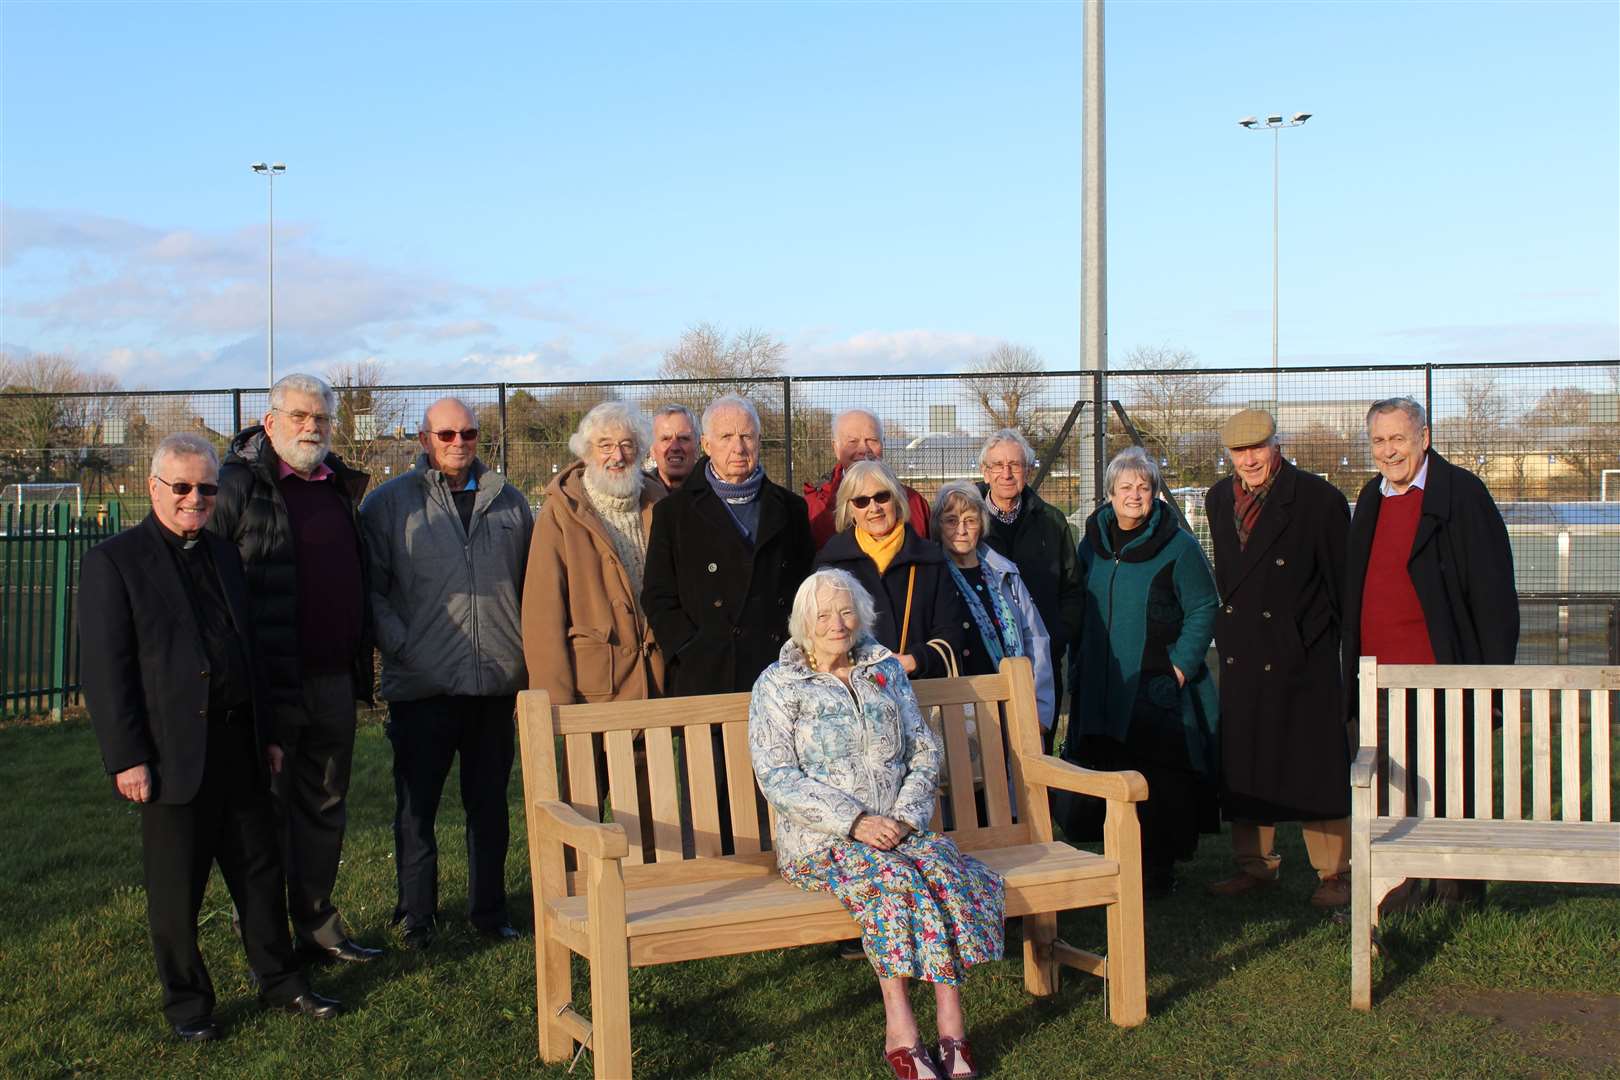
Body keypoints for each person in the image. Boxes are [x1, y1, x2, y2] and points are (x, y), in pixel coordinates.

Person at [81, 433, 342, 1041]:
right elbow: (105, 670)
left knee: (258, 873)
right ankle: (189, 1007)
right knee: (177, 894)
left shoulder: (224, 554)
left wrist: (269, 733)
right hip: (171, 757)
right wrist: (128, 758)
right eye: (182, 487)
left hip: (239, 743)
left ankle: (280, 981)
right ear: (154, 489)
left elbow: (247, 651)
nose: (195, 498)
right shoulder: (116, 561)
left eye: (205, 488)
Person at [750, 569, 1002, 1080]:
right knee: (896, 881)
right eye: (823, 615)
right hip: (822, 842)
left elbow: (923, 749)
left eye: (845, 612)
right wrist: (857, 822)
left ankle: (952, 1028)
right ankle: (902, 1031)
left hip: (899, 831)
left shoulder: (884, 667)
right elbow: (777, 777)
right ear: (804, 622)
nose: (836, 624)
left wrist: (906, 820)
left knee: (945, 868)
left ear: (861, 615)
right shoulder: (779, 685)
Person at [210, 372, 381, 963]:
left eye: (322, 419)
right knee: (266, 809)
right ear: (270, 420)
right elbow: (210, 585)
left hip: (334, 678)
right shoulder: (236, 486)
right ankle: (259, 927)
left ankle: (315, 919)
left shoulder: (339, 486)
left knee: (325, 802)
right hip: (267, 686)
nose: (312, 428)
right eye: (300, 417)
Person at [359, 397, 533, 949]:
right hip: (423, 683)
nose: (459, 443)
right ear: (424, 438)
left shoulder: (511, 503)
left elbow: (532, 585)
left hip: (493, 685)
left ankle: (490, 911)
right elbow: (371, 589)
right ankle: (416, 914)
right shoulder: (388, 505)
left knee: (489, 806)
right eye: (446, 434)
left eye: (469, 433)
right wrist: (400, 644)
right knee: (417, 808)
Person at [1343, 395, 1518, 907]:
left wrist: (1491, 680)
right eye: (1378, 440)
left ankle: (1457, 888)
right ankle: (1402, 882)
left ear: (1424, 437)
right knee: (1393, 780)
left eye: (1398, 438)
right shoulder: (1371, 497)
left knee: (1449, 775)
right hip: (1378, 673)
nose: (1388, 450)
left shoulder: (1461, 494)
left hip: (1443, 669)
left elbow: (1492, 594)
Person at [1203, 410, 1353, 909]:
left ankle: (1334, 873)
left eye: (1257, 449)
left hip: (1302, 656)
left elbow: (1340, 586)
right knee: (1247, 759)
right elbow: (1231, 577)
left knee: (1316, 764)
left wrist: (1312, 640)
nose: (1248, 460)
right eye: (1238, 452)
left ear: (1275, 445)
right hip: (1245, 652)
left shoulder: (1319, 500)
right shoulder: (1219, 499)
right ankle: (1254, 865)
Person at [1063, 447, 1220, 897]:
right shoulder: (1090, 542)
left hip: (1155, 685)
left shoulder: (1179, 545)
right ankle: (1116, 861)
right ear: (1109, 494)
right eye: (1126, 487)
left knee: (1156, 779)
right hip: (1100, 680)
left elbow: (1205, 605)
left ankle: (1156, 870)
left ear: (1154, 493)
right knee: (1108, 773)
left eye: (1144, 487)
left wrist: (1181, 666)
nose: (1135, 495)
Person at [641, 393, 815, 697]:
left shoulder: (791, 509)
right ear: (707, 445)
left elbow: (806, 590)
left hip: (780, 674)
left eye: (747, 436)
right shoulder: (673, 513)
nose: (738, 447)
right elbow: (658, 595)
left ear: (759, 441)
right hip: (707, 676)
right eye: (726, 436)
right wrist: (690, 648)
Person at [527, 401, 665, 704]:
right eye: (605, 446)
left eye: (627, 445)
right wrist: (553, 701)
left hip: (657, 682)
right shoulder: (561, 513)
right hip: (595, 689)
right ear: (587, 452)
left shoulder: (660, 503)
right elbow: (543, 613)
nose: (617, 456)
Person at [815, 459, 968, 679]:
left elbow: (951, 632)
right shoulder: (830, 565)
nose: (874, 508)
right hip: (854, 696)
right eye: (861, 501)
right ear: (850, 509)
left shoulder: (930, 559)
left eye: (882, 497)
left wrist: (915, 660)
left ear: (896, 500)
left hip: (920, 693)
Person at [931, 481, 1055, 735]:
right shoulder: (932, 576)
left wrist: (1039, 710)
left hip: (1010, 702)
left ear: (982, 524)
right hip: (958, 708)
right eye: (951, 520)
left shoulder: (1005, 574)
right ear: (938, 526)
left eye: (970, 520)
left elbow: (1035, 639)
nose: (961, 530)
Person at [976, 429, 1083, 712]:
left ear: (1028, 470)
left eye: (1015, 465)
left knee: (1038, 747)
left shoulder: (1052, 522)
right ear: (985, 473)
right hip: (984, 665)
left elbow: (1073, 589)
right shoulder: (967, 523)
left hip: (1040, 665)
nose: (1006, 473)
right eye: (998, 465)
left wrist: (1057, 638)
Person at [804, 408, 931, 549]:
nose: (864, 449)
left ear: (883, 443)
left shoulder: (915, 503)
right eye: (852, 441)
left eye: (872, 440)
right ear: (835, 447)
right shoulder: (814, 508)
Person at [645, 404, 698, 493]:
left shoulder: (717, 495)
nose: (674, 447)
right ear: (652, 450)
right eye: (665, 439)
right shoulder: (638, 497)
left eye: (683, 438)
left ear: (697, 447)